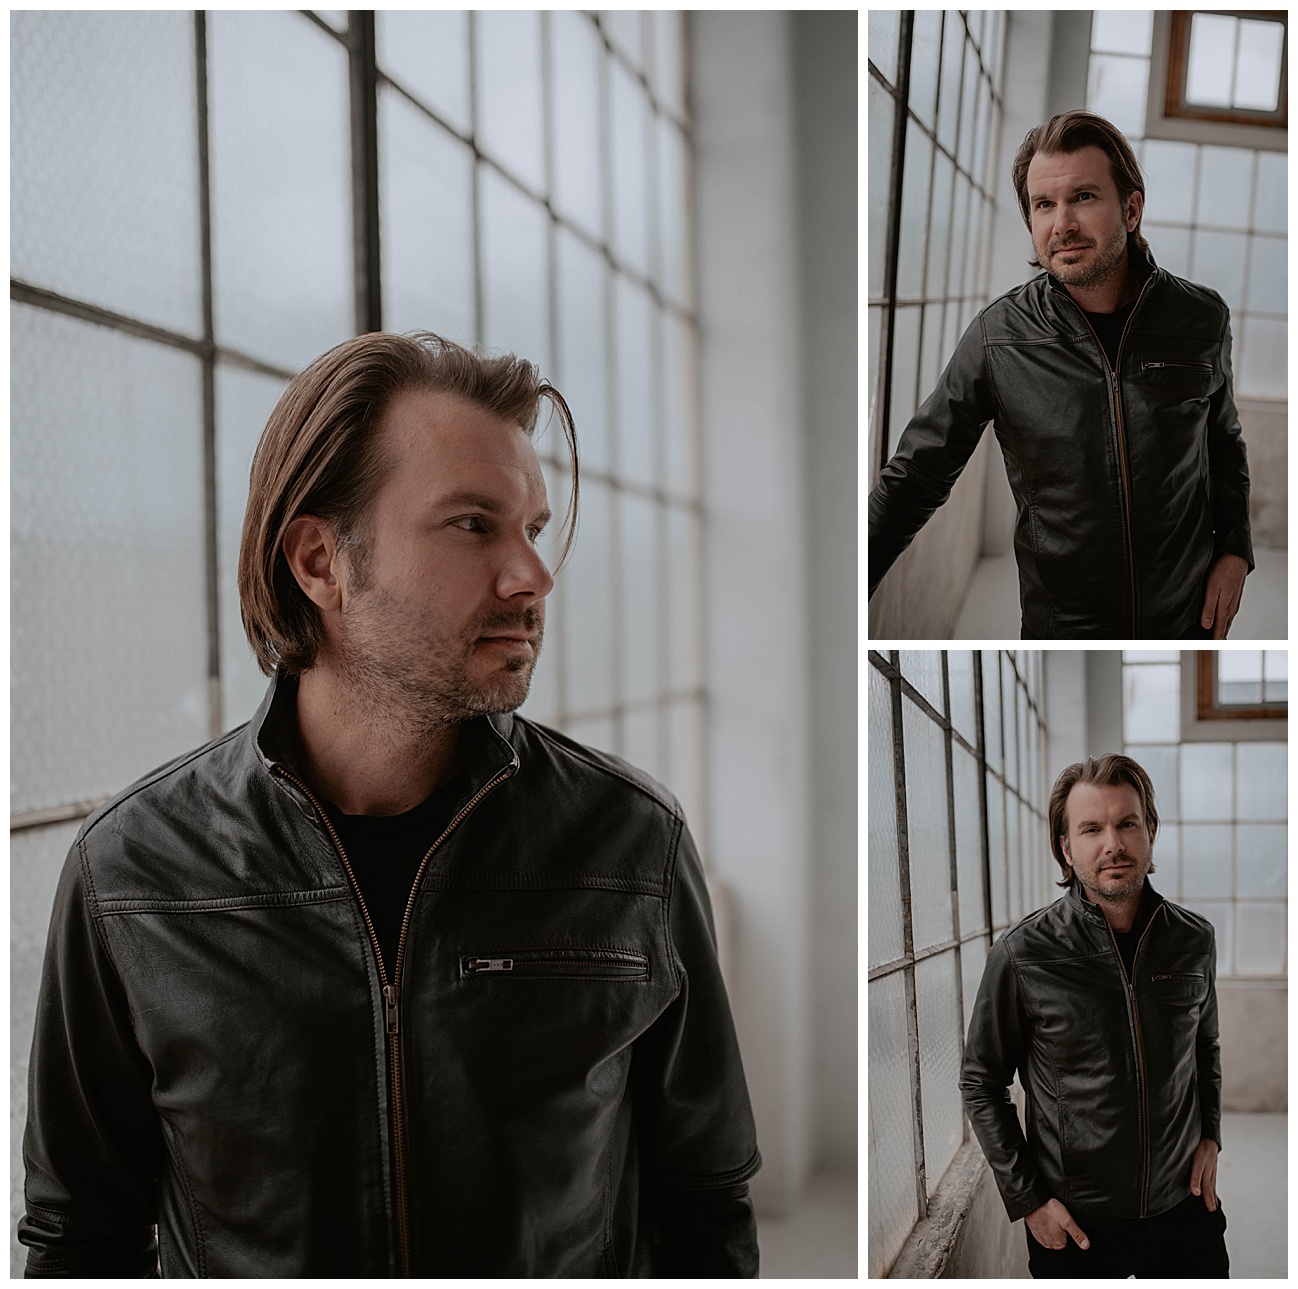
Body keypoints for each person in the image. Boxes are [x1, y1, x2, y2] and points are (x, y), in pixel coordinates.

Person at [20, 332, 761, 1278]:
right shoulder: (132, 874)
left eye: (532, 529)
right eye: (473, 524)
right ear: (320, 561)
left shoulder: (631, 844)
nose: (532, 576)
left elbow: (706, 1206)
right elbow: (80, 1238)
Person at [869, 110, 1252, 639]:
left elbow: (1223, 443)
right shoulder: (998, 337)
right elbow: (915, 476)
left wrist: (1235, 548)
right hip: (1064, 628)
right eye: (1044, 205)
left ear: (1131, 209)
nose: (1062, 224)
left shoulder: (1202, 318)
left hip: (1188, 617)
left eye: (1083, 197)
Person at [960, 753, 1226, 1278]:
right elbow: (981, 1082)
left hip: (1185, 1208)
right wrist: (1029, 1199)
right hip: (1078, 1225)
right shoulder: (1022, 954)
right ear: (1065, 847)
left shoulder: (1193, 940)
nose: (1114, 844)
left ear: (1150, 831)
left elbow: (1204, 1048)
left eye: (1127, 823)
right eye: (1091, 829)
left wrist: (1211, 1136)